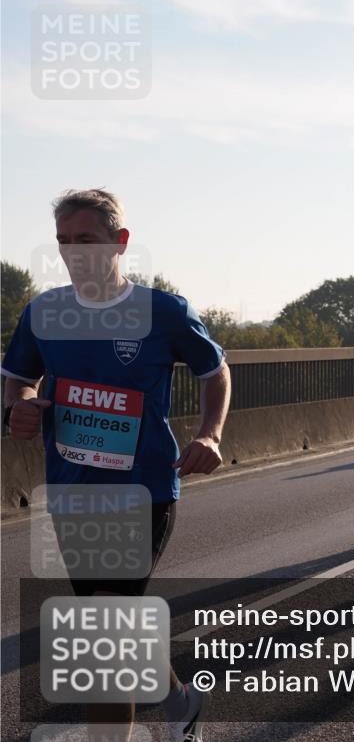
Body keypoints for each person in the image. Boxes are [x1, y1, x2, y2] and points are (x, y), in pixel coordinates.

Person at [2, 189, 232, 742]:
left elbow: (215, 371)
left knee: (104, 631)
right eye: (63, 242)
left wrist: (210, 433)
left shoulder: (163, 312)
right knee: (114, 622)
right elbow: (17, 377)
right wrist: (18, 408)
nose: (74, 252)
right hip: (71, 490)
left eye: (86, 240)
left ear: (120, 242)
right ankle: (181, 702)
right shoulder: (44, 312)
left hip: (144, 488)